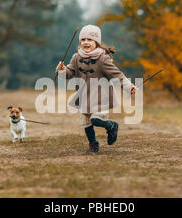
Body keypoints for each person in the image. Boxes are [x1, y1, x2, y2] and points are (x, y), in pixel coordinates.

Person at [56, 25, 137, 153]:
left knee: (96, 119)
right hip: (84, 95)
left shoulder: (103, 58)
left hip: (101, 96)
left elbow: (117, 75)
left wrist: (129, 87)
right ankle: (93, 144)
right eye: (83, 40)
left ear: (97, 43)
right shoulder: (76, 57)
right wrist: (62, 70)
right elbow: (69, 73)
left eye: (90, 40)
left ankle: (112, 126)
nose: (86, 42)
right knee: (86, 121)